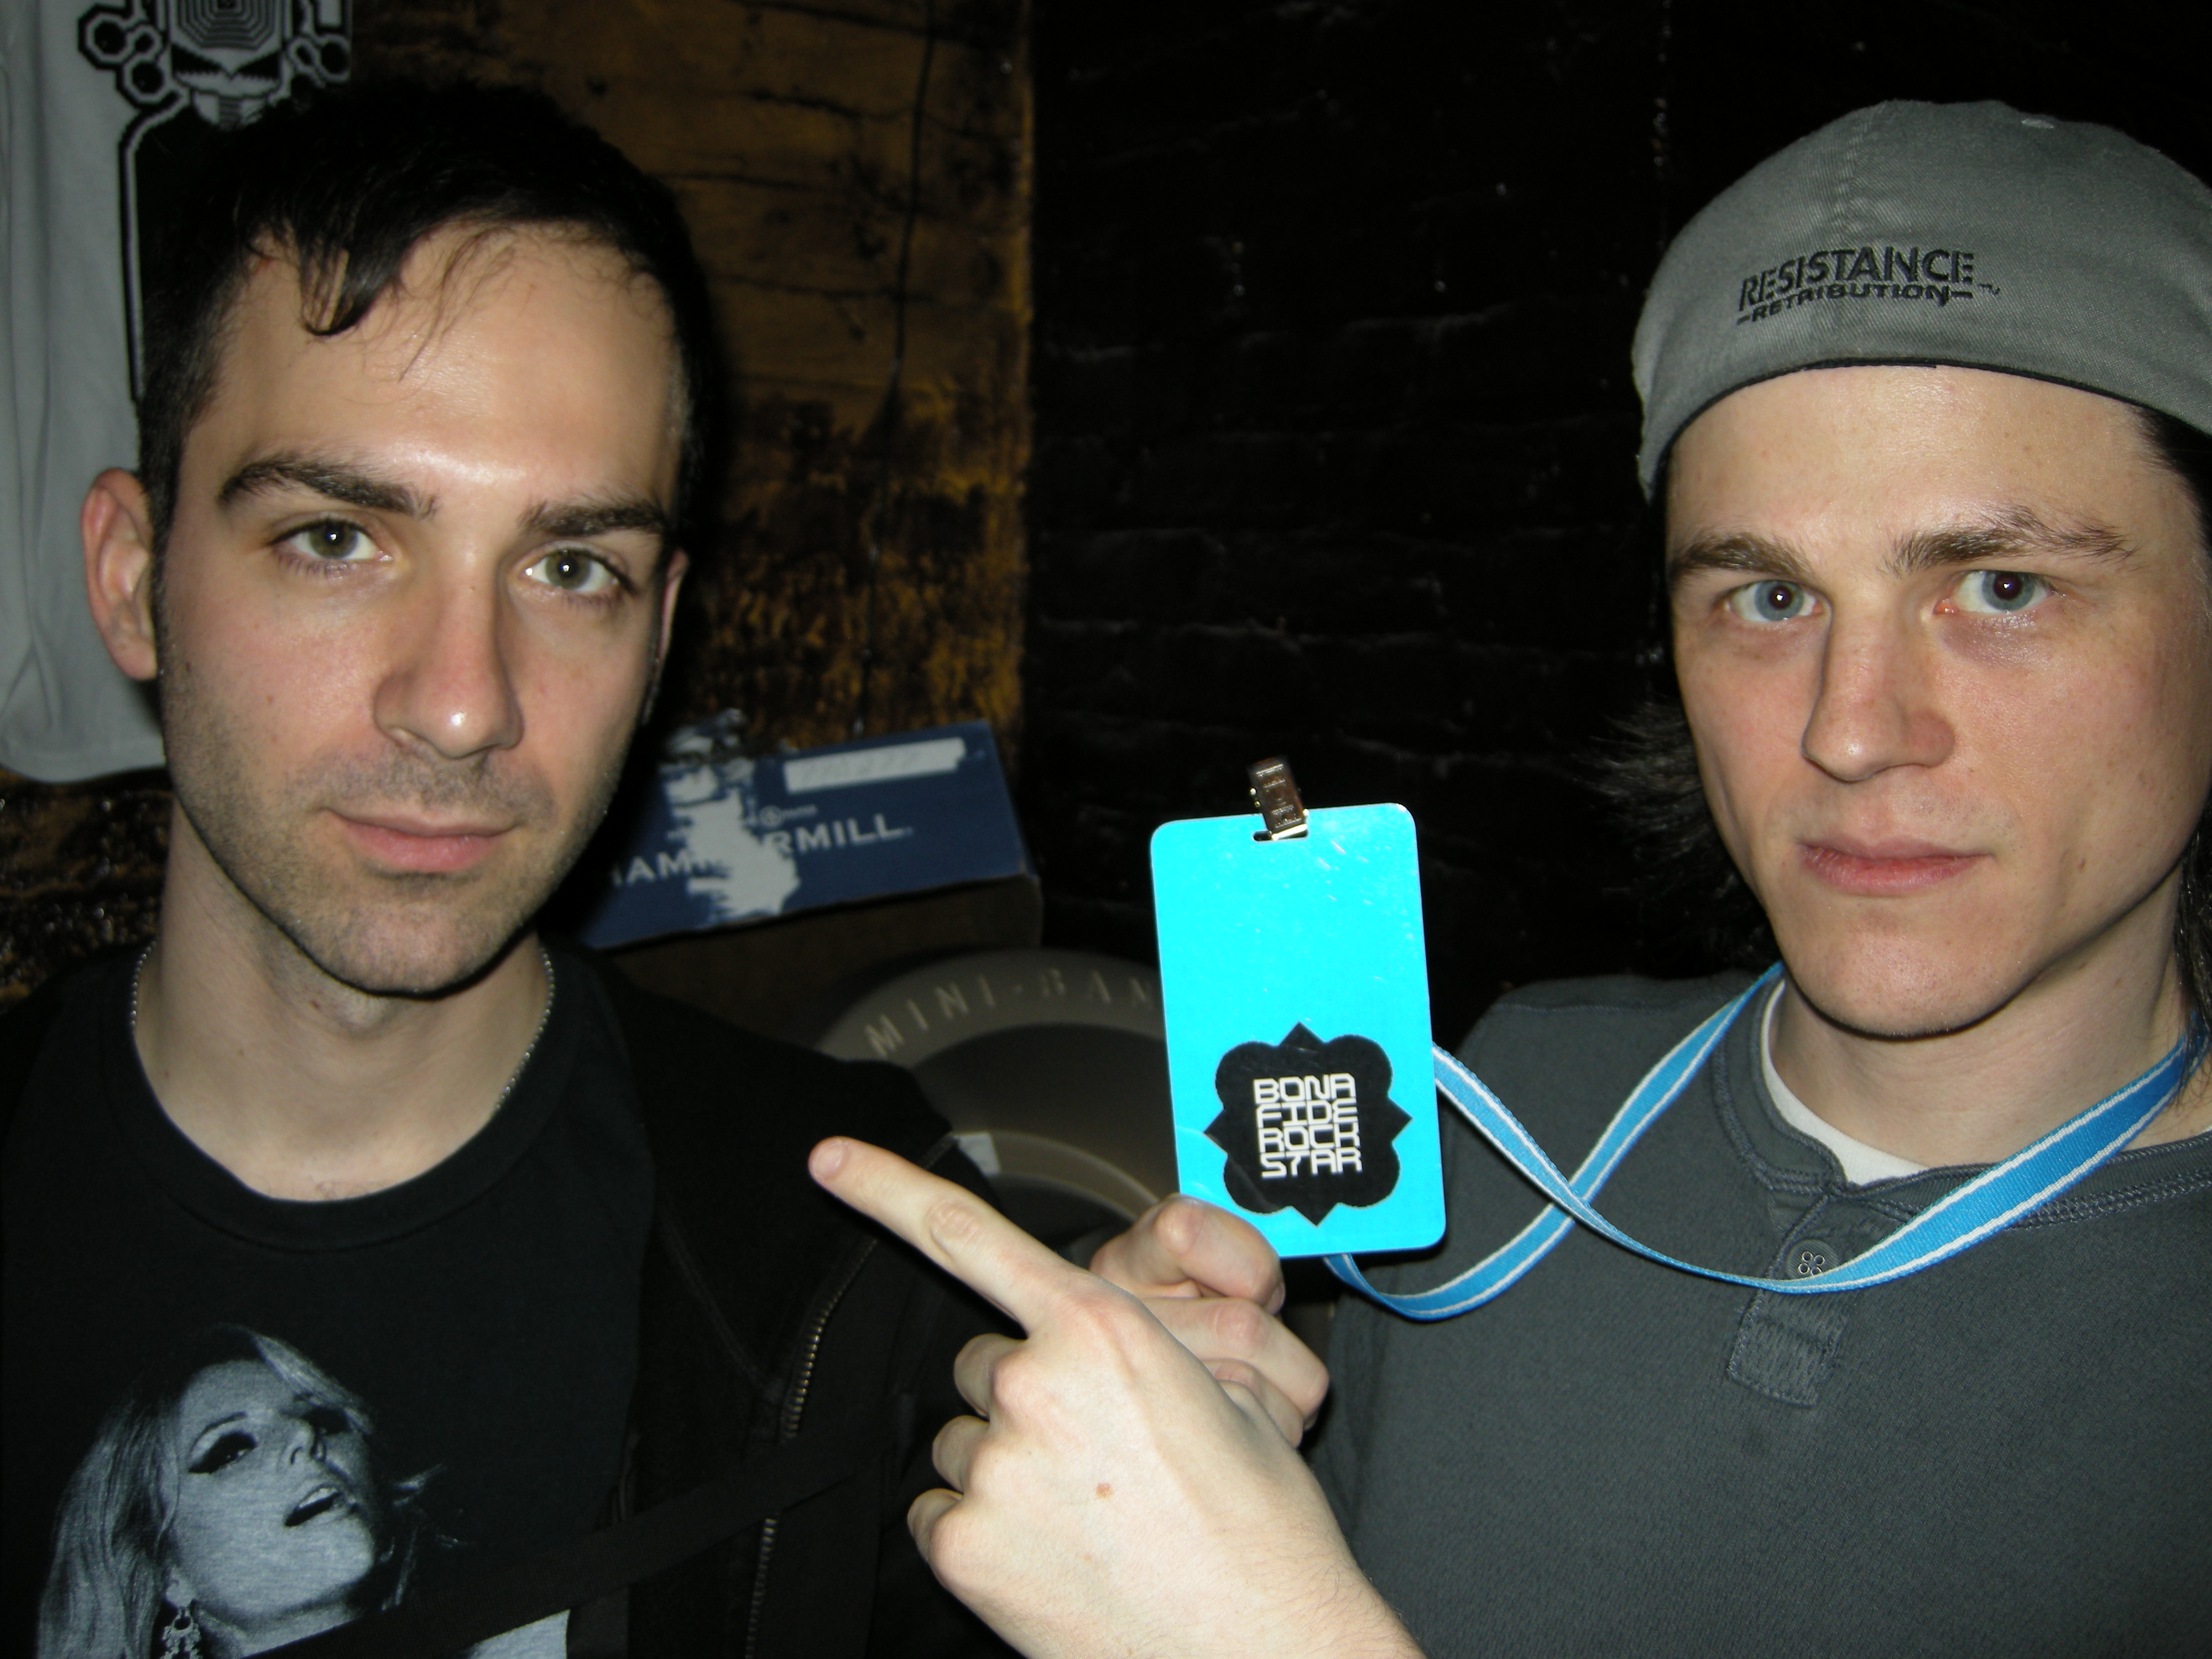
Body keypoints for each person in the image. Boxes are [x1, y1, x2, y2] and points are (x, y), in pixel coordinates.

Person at [811, 100, 2212, 1656]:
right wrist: (1209, 1466)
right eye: (1767, 597)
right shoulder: (1510, 1100)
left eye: (2003, 588)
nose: (1851, 729)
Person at [0, 80, 1322, 1656]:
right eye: (337, 539)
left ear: (660, 634)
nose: (463, 703)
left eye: (571, 568)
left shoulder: (860, 1265)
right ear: (133, 580)